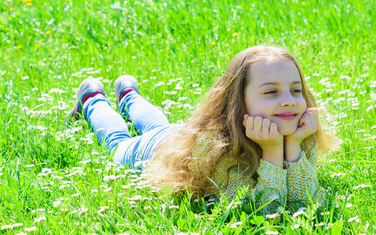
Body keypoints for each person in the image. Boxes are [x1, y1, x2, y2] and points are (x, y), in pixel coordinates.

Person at [67, 45, 336, 213]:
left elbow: (304, 204)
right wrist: (273, 149)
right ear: (238, 101)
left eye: (296, 89)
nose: (288, 99)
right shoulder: (217, 149)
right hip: (151, 151)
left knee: (156, 123)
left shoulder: (297, 132)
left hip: (175, 135)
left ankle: (129, 95)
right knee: (117, 140)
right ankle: (92, 99)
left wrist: (291, 148)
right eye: (271, 92)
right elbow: (265, 211)